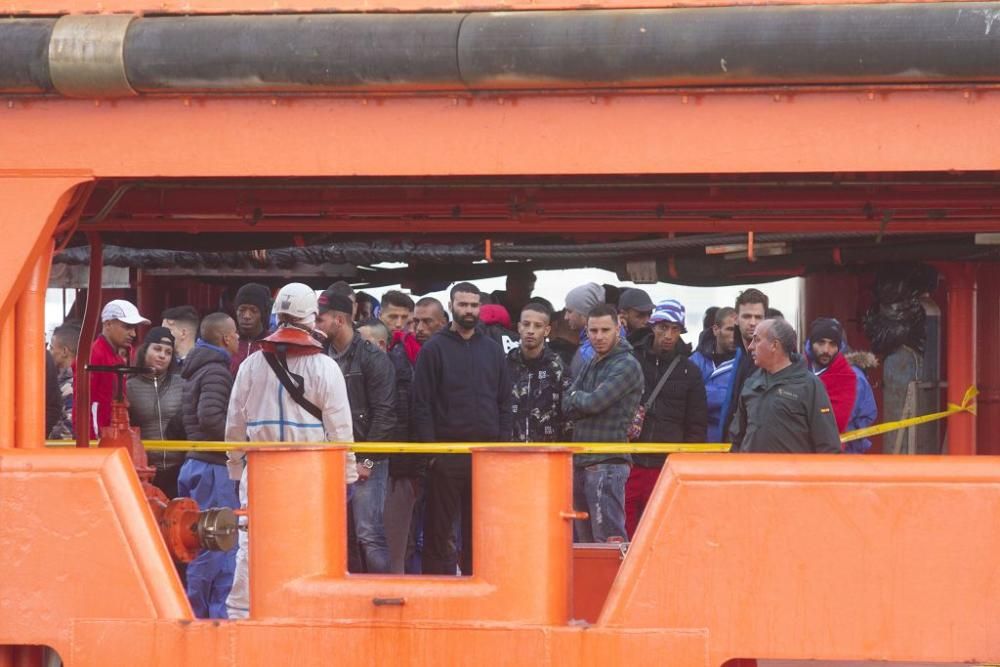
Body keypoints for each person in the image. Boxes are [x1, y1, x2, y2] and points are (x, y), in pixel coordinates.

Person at [224, 283, 357, 618]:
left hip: (260, 470)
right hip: (310, 475)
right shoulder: (325, 367)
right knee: (309, 544)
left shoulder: (251, 365)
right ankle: (305, 614)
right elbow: (341, 429)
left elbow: (234, 425)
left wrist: (235, 468)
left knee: (251, 546)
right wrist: (348, 474)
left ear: (276, 314)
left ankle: (241, 616)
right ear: (312, 317)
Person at [412, 282, 512, 575]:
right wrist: (432, 455)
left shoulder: (493, 351)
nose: (469, 310)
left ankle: (478, 590)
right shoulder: (433, 349)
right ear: (451, 306)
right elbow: (422, 405)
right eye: (463, 304)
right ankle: (435, 595)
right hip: (446, 455)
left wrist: (501, 449)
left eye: (473, 305)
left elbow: (505, 402)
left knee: (480, 532)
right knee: (438, 533)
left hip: (485, 456)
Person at [316, 289, 396, 574]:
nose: (315, 325)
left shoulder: (373, 358)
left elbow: (386, 414)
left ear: (339, 319)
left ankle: (382, 602)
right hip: (331, 457)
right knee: (338, 535)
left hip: (364, 457)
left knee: (368, 535)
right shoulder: (318, 355)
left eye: (320, 319)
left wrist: (366, 461)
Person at [176, 312, 240, 619]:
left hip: (194, 463)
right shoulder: (217, 371)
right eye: (236, 335)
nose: (239, 340)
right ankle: (209, 617)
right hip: (214, 467)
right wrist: (241, 439)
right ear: (226, 338)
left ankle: (196, 610)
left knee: (197, 542)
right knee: (218, 545)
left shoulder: (196, 369)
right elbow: (212, 417)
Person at [562, 304, 644, 543]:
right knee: (588, 544)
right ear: (586, 331)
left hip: (608, 464)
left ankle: (615, 583)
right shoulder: (593, 361)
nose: (598, 336)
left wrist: (579, 399)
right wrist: (579, 399)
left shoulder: (627, 364)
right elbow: (566, 404)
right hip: (586, 461)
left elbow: (593, 403)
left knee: (608, 542)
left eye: (605, 330)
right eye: (593, 330)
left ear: (618, 329)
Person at [626, 299, 706, 537]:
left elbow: (696, 424)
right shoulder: (631, 361)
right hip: (630, 462)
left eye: (675, 329)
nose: (669, 335)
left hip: (667, 467)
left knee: (662, 533)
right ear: (652, 326)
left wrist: (688, 468)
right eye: (663, 327)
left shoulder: (690, 371)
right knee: (624, 535)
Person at [383, 295, 446, 574]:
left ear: (442, 323)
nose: (417, 328)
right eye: (414, 322)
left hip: (442, 460)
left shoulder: (449, 356)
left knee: (442, 537)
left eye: (425, 322)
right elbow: (393, 414)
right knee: (400, 540)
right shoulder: (396, 357)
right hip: (403, 463)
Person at [730, 319, 841, 454]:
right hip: (752, 473)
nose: (750, 346)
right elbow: (736, 439)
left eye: (757, 340)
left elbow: (828, 445)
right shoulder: (751, 383)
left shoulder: (810, 385)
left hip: (793, 474)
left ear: (774, 345)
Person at [74, 299, 150, 439]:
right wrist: (89, 440)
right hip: (97, 439)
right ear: (108, 324)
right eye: (127, 327)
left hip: (109, 435)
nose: (133, 334)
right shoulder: (94, 355)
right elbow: (82, 403)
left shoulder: (116, 355)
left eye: (134, 328)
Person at [127, 327, 186, 498]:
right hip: (144, 471)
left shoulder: (181, 383)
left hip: (178, 469)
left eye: (168, 352)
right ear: (145, 350)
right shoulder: (129, 386)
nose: (162, 356)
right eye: (157, 349)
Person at [507, 302, 571, 443]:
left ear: (547, 330)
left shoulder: (558, 368)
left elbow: (568, 416)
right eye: (526, 324)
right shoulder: (505, 365)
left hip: (549, 453)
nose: (530, 330)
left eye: (537, 326)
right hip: (510, 451)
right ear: (518, 327)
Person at [719, 288, 769, 445]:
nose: (753, 322)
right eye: (747, 316)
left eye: (758, 317)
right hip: (734, 447)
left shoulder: (774, 358)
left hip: (756, 451)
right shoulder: (740, 354)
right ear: (735, 318)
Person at [690, 306, 738, 442]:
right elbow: (685, 399)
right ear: (716, 330)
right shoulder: (695, 360)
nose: (736, 336)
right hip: (697, 439)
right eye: (730, 329)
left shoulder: (747, 364)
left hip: (731, 440)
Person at [806, 318, 857, 434]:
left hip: (827, 448)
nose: (826, 350)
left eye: (832, 344)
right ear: (811, 343)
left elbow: (835, 422)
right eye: (821, 342)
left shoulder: (846, 376)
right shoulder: (796, 368)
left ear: (839, 348)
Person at [564, 283, 606, 377]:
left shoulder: (591, 351)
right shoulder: (592, 345)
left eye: (570, 311)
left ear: (585, 313)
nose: (566, 317)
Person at [230, 282, 271, 373]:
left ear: (263, 313)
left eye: (254, 310)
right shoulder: (227, 342)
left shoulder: (272, 344)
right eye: (242, 309)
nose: (247, 316)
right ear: (236, 311)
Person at [48, 323, 80, 439]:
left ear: (65, 351)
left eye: (51, 348)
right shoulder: (80, 379)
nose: (49, 353)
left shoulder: (71, 386)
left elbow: (68, 432)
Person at [844, 347, 879, 454]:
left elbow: (847, 413)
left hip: (848, 444)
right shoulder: (856, 375)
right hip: (851, 441)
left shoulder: (853, 377)